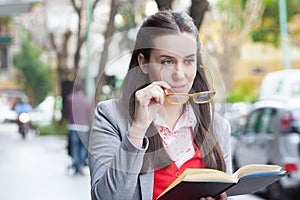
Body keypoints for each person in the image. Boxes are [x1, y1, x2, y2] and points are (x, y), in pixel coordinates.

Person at [88, 10, 232, 200]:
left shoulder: (217, 126)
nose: (179, 74)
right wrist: (137, 130)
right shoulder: (111, 117)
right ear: (144, 63)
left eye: (188, 61)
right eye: (167, 61)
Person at [65, 82, 92, 175]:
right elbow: (89, 114)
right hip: (84, 127)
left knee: (74, 146)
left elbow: (67, 111)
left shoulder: (69, 98)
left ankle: (76, 164)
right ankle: (80, 164)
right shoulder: (87, 101)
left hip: (73, 126)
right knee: (83, 147)